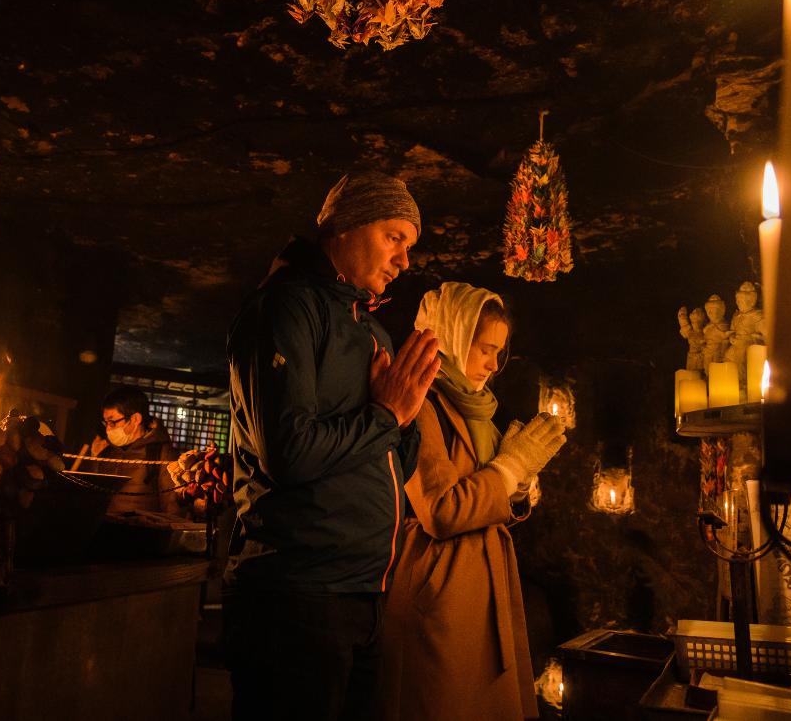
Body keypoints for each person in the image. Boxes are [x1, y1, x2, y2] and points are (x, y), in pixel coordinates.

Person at [224, 171, 440, 721]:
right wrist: (387, 412)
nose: (404, 260)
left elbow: (399, 462)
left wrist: (406, 414)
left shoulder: (370, 330)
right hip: (297, 596)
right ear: (344, 227)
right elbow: (289, 452)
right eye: (395, 237)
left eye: (409, 246)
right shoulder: (288, 308)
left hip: (364, 592)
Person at [381, 282, 566, 721]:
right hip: (440, 589)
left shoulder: (474, 408)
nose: (492, 363)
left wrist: (517, 485)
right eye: (484, 348)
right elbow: (440, 510)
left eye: (499, 352)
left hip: (479, 586)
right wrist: (509, 469)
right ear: (453, 336)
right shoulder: (422, 404)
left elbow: (485, 491)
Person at [76, 385, 184, 517]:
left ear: (135, 419)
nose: (108, 429)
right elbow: (91, 496)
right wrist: (95, 459)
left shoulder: (161, 453)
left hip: (141, 533)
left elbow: (172, 507)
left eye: (112, 422)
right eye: (106, 423)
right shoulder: (107, 449)